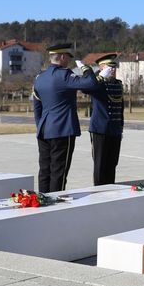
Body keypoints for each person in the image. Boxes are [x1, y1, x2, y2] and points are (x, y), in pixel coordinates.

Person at [32, 43, 100, 192]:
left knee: (45, 170)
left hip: (44, 130)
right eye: (68, 57)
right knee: (59, 172)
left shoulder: (39, 78)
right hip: (62, 129)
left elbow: (37, 106)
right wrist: (86, 68)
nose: (69, 61)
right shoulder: (64, 75)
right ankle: (55, 201)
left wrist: (40, 126)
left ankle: (42, 199)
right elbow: (91, 83)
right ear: (62, 57)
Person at [86, 54, 124, 186]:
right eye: (109, 67)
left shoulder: (118, 84)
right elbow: (86, 87)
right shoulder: (97, 85)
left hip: (115, 130)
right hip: (100, 130)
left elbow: (120, 109)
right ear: (101, 68)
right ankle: (98, 191)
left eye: (114, 68)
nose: (112, 70)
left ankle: (110, 190)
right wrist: (98, 77)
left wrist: (120, 128)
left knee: (112, 164)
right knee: (100, 164)